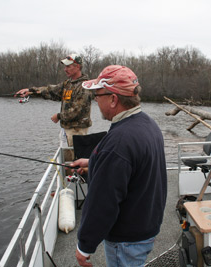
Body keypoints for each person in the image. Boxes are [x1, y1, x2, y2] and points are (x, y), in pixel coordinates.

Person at [71, 65, 167, 267]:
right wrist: (93, 162)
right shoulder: (148, 124)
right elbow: (135, 165)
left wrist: (84, 247)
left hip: (127, 239)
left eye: (97, 95)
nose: (96, 101)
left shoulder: (118, 143)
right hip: (146, 226)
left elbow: (103, 202)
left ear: (113, 99)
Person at [15, 54, 92, 160]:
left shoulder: (84, 85)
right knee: (66, 160)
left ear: (77, 66)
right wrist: (30, 91)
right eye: (65, 67)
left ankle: (75, 175)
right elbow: (51, 90)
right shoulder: (68, 84)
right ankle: (69, 175)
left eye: (68, 66)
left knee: (74, 160)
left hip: (77, 131)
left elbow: (77, 111)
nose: (65, 69)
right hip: (66, 130)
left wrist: (58, 116)